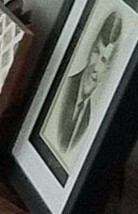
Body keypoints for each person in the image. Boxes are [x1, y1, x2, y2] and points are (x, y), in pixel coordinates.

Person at [52, 9, 123, 157]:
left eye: (104, 60)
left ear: (109, 68)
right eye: (97, 52)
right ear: (90, 51)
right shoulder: (62, 90)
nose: (96, 67)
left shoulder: (89, 119)